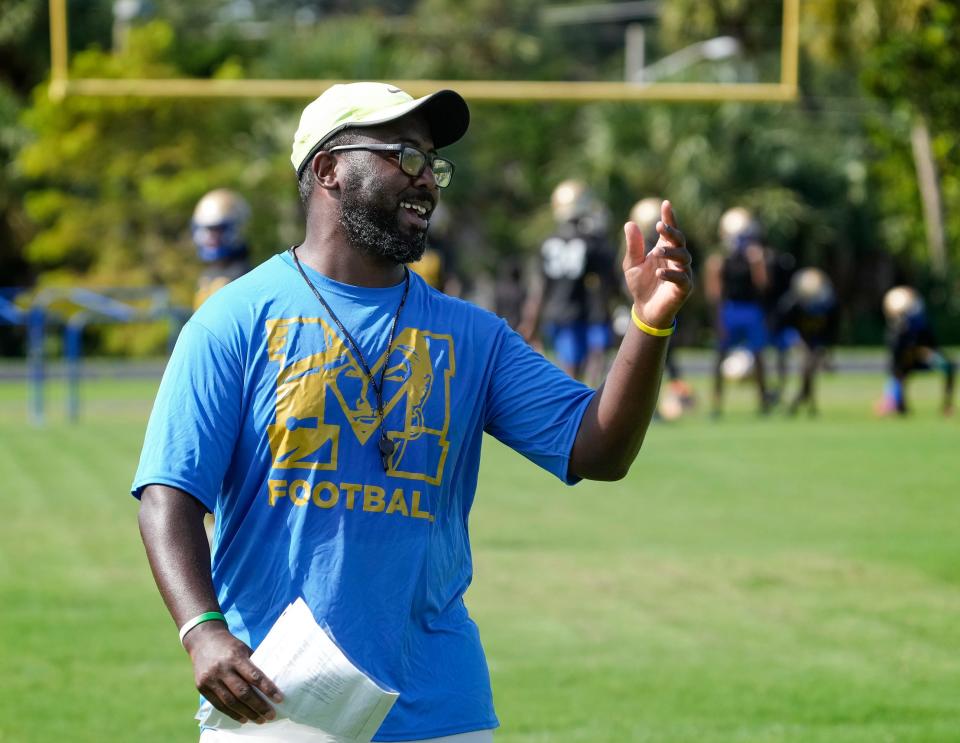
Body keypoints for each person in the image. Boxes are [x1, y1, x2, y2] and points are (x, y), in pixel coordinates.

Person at [132, 81, 693, 743]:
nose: (427, 179)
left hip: (440, 707)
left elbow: (597, 450)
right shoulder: (235, 319)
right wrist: (202, 631)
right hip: (275, 700)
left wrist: (648, 327)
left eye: (434, 163)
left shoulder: (472, 335)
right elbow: (168, 493)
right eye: (404, 155)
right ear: (328, 169)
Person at [518, 179, 618, 386]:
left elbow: (540, 287)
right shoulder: (592, 241)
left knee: (569, 365)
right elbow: (609, 280)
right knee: (592, 362)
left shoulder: (548, 241)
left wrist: (531, 320)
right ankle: (586, 407)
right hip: (586, 312)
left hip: (556, 311)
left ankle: (579, 406)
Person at [704, 206, 770, 417]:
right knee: (720, 356)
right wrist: (718, 319)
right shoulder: (719, 260)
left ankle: (763, 401)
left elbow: (763, 287)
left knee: (759, 356)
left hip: (751, 309)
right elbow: (714, 294)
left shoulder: (755, 257)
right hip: (730, 309)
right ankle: (716, 404)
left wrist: (757, 264)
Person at [876, 285, 954, 416]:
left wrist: (921, 351)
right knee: (898, 372)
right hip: (906, 362)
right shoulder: (895, 329)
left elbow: (930, 344)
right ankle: (899, 405)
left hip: (924, 356)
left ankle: (947, 405)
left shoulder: (919, 320)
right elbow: (895, 354)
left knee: (947, 366)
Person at [776, 267, 838, 416]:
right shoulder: (792, 304)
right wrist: (795, 341)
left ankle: (802, 401)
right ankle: (808, 403)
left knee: (810, 370)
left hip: (815, 340)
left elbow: (830, 330)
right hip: (796, 338)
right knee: (807, 367)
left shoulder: (828, 303)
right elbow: (782, 325)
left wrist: (827, 352)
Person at [191, 189, 253, 310]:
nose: (210, 238)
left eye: (218, 230)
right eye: (207, 230)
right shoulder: (207, 274)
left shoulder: (244, 275)